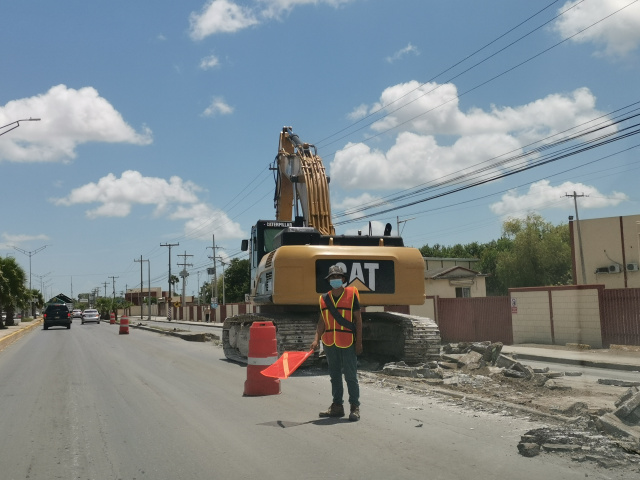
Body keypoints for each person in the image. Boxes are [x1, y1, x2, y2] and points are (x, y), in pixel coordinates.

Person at [310, 264, 363, 421]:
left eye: (338, 277)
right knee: (334, 376)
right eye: (332, 277)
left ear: (343, 279)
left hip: (348, 341)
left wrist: (359, 342)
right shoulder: (324, 299)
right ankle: (337, 406)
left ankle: (354, 407)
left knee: (350, 376)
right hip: (329, 343)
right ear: (329, 280)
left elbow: (358, 320)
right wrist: (316, 339)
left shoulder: (352, 295)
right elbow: (322, 321)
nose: (335, 279)